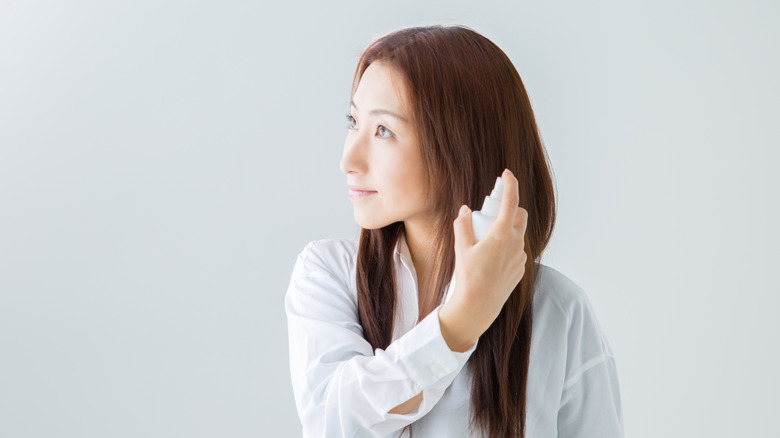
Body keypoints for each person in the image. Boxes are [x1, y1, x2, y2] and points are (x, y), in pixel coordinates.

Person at [284, 25, 623, 438]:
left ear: (459, 145)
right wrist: (459, 323)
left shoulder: (558, 310)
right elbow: (333, 423)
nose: (348, 159)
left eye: (383, 131)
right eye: (353, 122)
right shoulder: (329, 275)